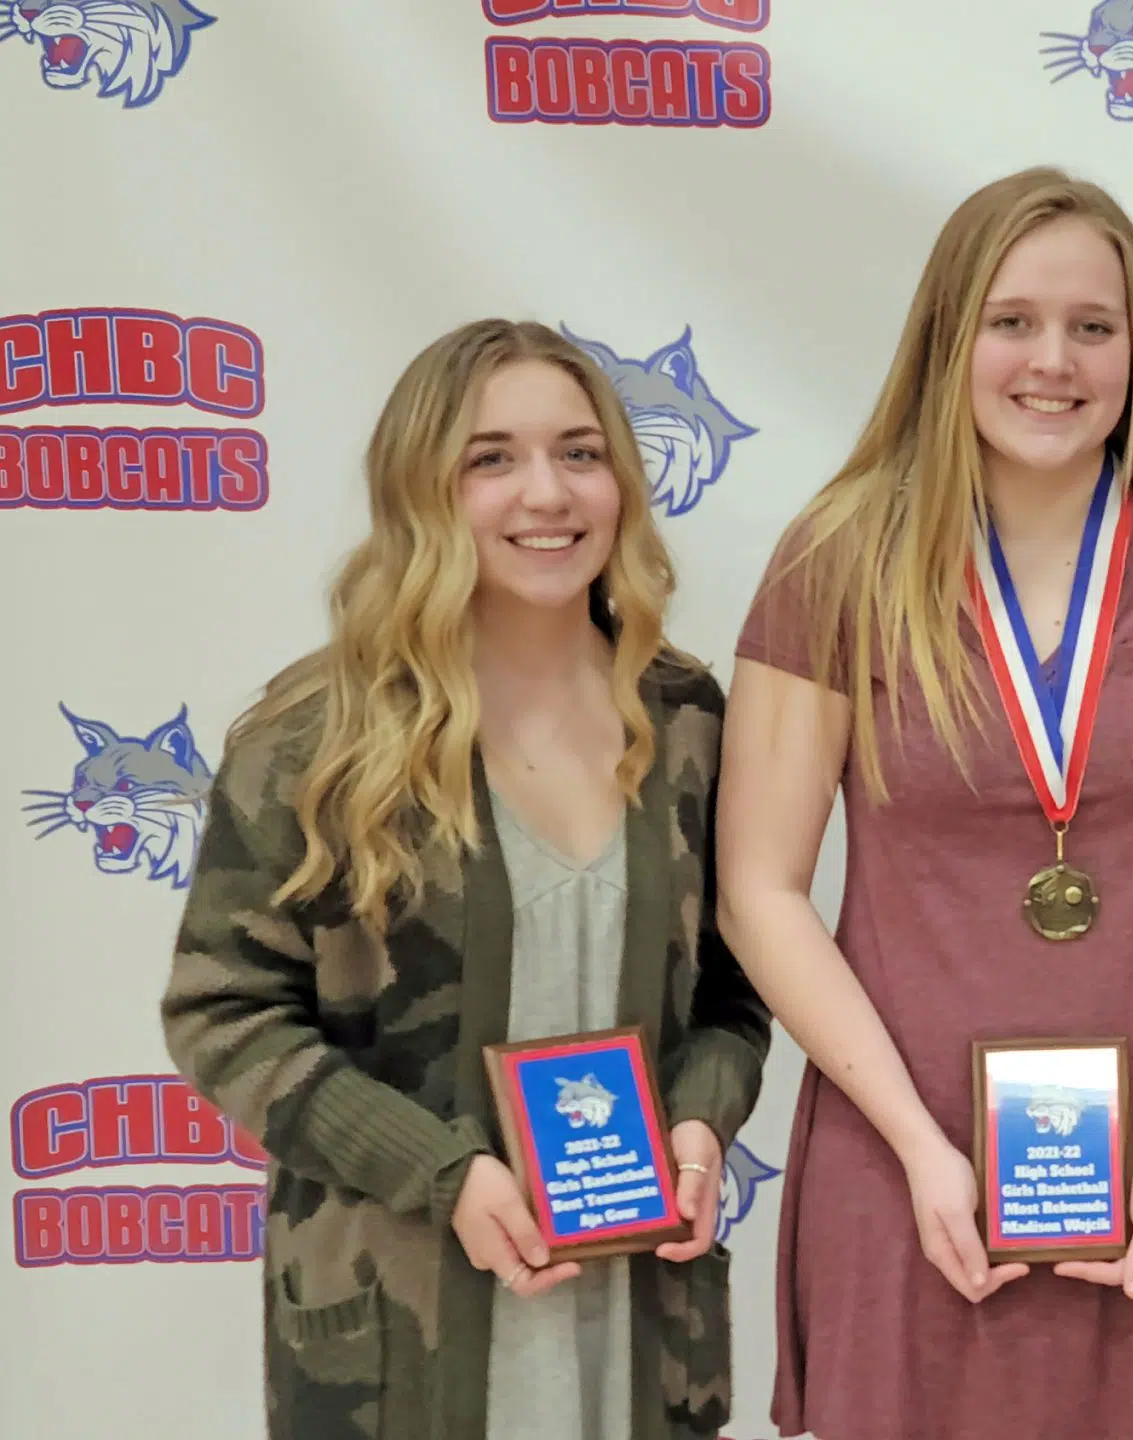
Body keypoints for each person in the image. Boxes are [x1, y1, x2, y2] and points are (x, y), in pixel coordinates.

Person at [716, 166, 1133, 1439]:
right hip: (909, 1165)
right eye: (1013, 321)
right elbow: (759, 893)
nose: (1053, 361)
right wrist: (921, 1153)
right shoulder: (834, 555)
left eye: (1093, 327)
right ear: (951, 336)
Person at [162, 318, 772, 1440]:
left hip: (635, 1331)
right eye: (491, 458)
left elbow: (735, 994)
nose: (546, 493)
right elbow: (224, 1016)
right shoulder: (318, 738)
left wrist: (698, 1126)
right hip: (403, 1343)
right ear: (422, 489)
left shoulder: (684, 720)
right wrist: (444, 1176)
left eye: (580, 452)